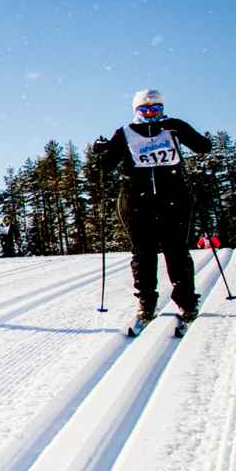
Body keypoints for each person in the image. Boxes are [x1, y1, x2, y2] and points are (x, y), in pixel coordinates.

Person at [90, 88, 212, 329]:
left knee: (176, 251)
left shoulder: (172, 128)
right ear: (136, 110)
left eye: (155, 109)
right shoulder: (124, 133)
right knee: (143, 253)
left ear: (162, 109)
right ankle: (146, 302)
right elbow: (102, 172)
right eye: (144, 109)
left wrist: (184, 130)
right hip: (136, 202)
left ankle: (186, 302)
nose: (150, 114)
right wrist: (100, 151)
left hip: (174, 199)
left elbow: (203, 147)